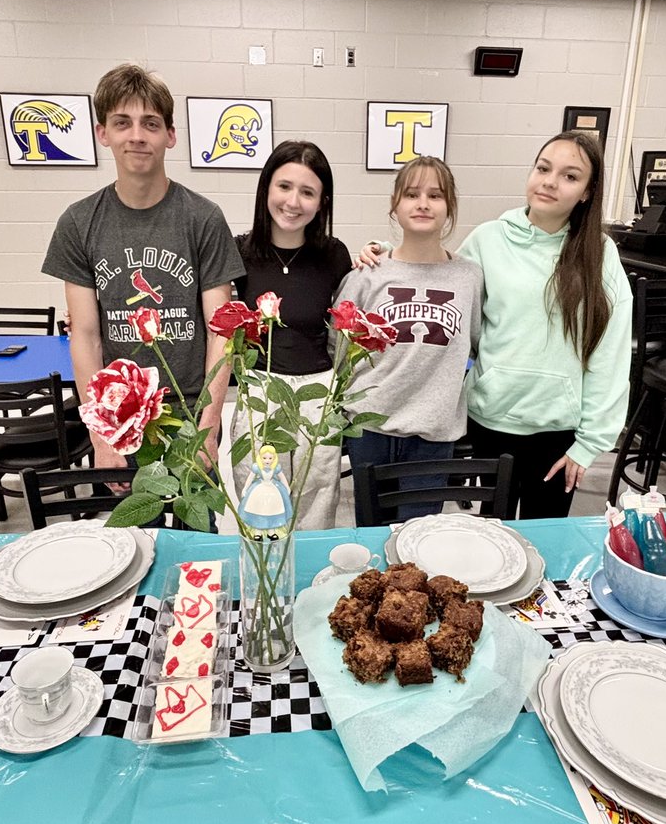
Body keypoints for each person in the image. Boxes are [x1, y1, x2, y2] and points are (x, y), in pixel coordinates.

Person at [360, 132, 632, 518]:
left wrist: (590, 442)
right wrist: (382, 256)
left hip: (557, 432)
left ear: (587, 192)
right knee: (491, 545)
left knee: (542, 547)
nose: (550, 182)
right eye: (543, 168)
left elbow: (611, 350)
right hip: (490, 422)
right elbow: (438, 274)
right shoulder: (488, 239)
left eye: (570, 176)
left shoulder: (599, 254)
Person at [43, 64, 244, 484]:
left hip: (190, 413)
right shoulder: (78, 223)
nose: (136, 135)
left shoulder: (203, 218)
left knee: (196, 541)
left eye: (150, 124)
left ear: (170, 135)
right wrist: (101, 434)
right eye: (122, 122)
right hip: (123, 419)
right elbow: (85, 335)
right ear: (103, 134)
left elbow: (220, 332)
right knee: (138, 539)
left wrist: (208, 429)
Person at [336, 155, 482, 523]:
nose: (422, 203)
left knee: (419, 537)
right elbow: (338, 348)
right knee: (372, 533)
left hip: (434, 432)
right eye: (411, 194)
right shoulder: (368, 274)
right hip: (370, 426)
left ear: (449, 208)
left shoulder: (469, 277)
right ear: (395, 206)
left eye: (435, 195)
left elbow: (477, 342)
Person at [231, 140, 351, 531]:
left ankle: (307, 585)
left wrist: (381, 251)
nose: (293, 201)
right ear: (266, 187)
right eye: (284, 186)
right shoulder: (239, 253)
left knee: (316, 498)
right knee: (261, 499)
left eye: (308, 192)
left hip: (319, 390)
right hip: (261, 389)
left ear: (322, 202)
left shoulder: (334, 255)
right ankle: (266, 584)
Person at [237, 444, 293, 538]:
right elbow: (250, 478)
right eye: (265, 458)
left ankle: (271, 531)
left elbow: (282, 478)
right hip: (259, 490)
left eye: (270, 458)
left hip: (273, 491)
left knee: (272, 510)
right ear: (260, 457)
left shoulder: (276, 468)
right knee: (258, 510)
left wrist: (287, 488)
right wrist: (245, 488)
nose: (267, 460)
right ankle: (258, 532)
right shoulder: (257, 467)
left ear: (274, 458)